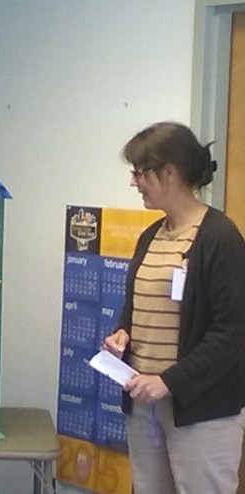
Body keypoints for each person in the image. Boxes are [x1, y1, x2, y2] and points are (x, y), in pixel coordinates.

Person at [103, 121, 245, 494]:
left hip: (200, 411)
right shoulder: (151, 235)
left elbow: (231, 334)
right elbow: (136, 307)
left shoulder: (220, 238)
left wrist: (169, 381)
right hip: (144, 405)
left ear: (169, 172)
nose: (134, 182)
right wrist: (122, 335)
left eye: (140, 172)